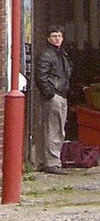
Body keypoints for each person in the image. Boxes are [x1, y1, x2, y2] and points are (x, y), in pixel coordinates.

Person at [35, 25, 73, 175]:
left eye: (59, 36)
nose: (57, 39)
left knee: (59, 130)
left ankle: (53, 160)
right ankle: (51, 162)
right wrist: (50, 94)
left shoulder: (61, 54)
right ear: (48, 38)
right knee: (53, 129)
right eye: (54, 36)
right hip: (54, 96)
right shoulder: (46, 55)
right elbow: (41, 77)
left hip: (61, 94)